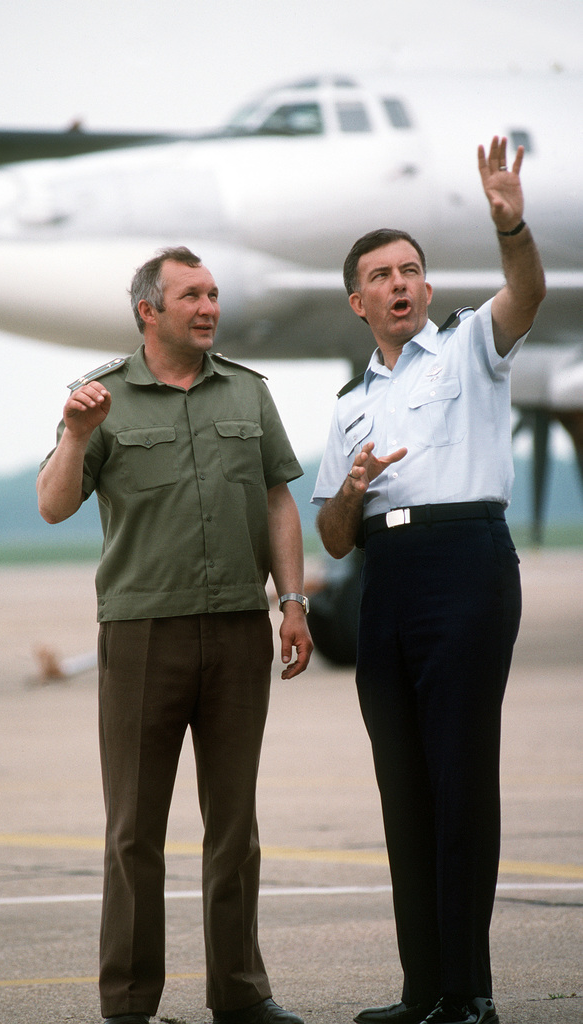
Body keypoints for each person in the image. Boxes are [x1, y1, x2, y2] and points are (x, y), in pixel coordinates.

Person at [37, 245, 313, 1024]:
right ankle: (128, 1004)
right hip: (140, 633)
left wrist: (291, 600)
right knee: (133, 831)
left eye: (214, 294)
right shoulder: (95, 397)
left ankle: (241, 995)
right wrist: (73, 434)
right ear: (147, 311)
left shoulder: (249, 395)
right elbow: (54, 505)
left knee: (234, 827)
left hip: (236, 630)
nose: (209, 307)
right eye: (192, 295)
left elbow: (277, 502)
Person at [312, 137, 546, 1024]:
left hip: (464, 568)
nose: (402, 283)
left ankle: (469, 993)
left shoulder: (469, 350)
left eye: (411, 269)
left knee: (458, 779)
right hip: (386, 579)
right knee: (403, 788)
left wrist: (509, 223)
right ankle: (421, 992)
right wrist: (357, 490)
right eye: (383, 274)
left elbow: (526, 295)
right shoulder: (346, 407)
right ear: (358, 300)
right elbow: (334, 535)